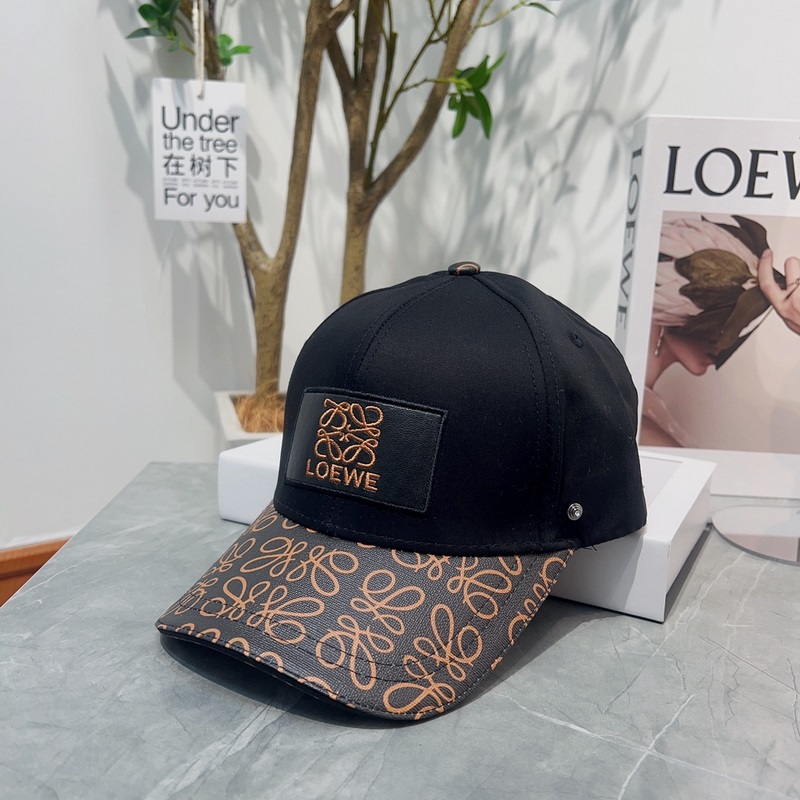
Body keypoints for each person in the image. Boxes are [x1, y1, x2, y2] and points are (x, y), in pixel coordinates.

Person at [641, 216, 800, 447]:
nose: (727, 340)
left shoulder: (647, 411)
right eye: (728, 316)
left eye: (740, 320)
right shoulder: (639, 425)